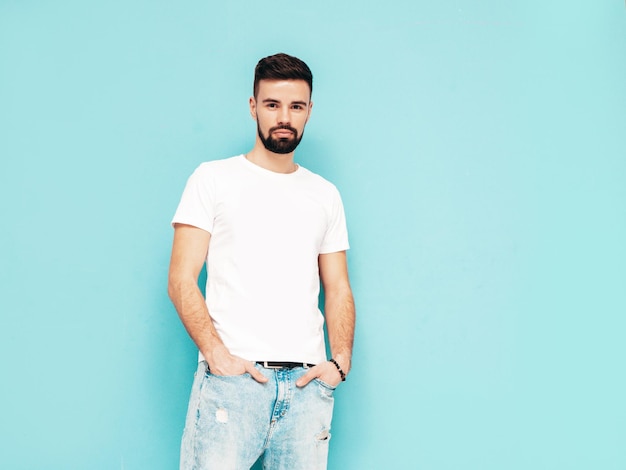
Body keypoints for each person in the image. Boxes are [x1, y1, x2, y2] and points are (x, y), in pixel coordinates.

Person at [168, 52, 355, 470]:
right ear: (253, 106)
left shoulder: (325, 194)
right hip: (234, 385)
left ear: (309, 111)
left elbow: (338, 286)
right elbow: (181, 277)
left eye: (296, 106)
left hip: (308, 390)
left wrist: (340, 362)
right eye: (272, 104)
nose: (284, 116)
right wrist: (217, 356)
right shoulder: (212, 179)